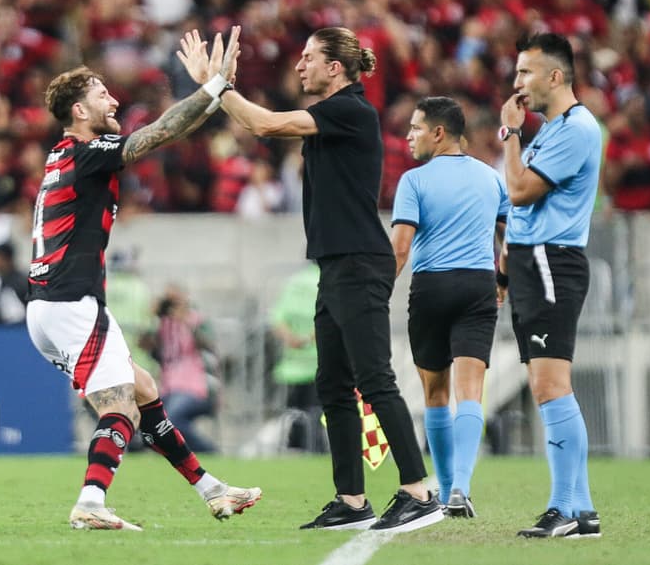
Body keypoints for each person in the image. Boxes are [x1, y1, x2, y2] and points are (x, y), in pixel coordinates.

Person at [177, 26, 442, 533]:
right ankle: (352, 500)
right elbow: (259, 123)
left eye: (308, 58)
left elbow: (266, 125)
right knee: (334, 386)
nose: (298, 67)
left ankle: (418, 491)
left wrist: (218, 86)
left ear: (335, 68)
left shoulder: (350, 110)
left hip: (358, 262)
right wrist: (218, 90)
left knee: (374, 380)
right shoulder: (335, 115)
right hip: (335, 264)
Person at [25, 26, 261, 532]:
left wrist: (214, 91)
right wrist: (215, 87)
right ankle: (90, 502)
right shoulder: (88, 154)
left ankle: (213, 491)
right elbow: (158, 133)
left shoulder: (64, 155)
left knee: (144, 389)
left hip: (47, 306)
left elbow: (165, 130)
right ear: (78, 112)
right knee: (120, 410)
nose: (113, 98)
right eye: (100, 93)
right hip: (71, 302)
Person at [498, 33, 602, 538]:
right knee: (549, 386)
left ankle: (563, 507)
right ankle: (581, 510)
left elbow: (519, 192)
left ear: (554, 77)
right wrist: (504, 265)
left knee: (549, 385)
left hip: (549, 262)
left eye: (524, 73)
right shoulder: (554, 128)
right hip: (532, 262)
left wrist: (509, 133)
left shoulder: (576, 129)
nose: (516, 83)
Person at [390, 96, 510, 518]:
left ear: (439, 133)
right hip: (478, 285)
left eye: (416, 128)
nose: (409, 137)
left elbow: (400, 250)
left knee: (435, 394)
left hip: (432, 286)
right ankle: (461, 488)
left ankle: (442, 490)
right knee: (470, 392)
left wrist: (375, 298)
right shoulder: (491, 179)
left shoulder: (414, 181)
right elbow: (511, 232)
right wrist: (503, 277)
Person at [147, 286, 220, 454]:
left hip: (198, 388)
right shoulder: (162, 324)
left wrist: (186, 321)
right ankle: (173, 456)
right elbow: (146, 345)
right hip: (169, 387)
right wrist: (152, 318)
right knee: (149, 421)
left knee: (171, 419)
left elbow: (210, 345)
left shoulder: (197, 321)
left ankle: (208, 451)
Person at [269, 261, 324, 452]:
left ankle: (295, 445)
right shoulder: (326, 280)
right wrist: (309, 339)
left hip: (292, 365)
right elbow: (330, 319)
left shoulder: (294, 282)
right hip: (319, 362)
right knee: (317, 414)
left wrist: (293, 340)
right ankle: (315, 448)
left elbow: (277, 319)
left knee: (295, 412)